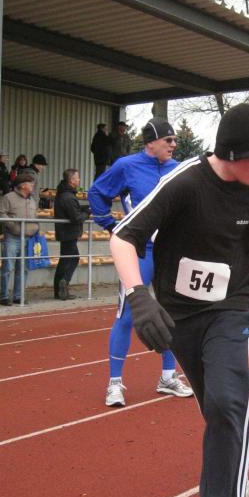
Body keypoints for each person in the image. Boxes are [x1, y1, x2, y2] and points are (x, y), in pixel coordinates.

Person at [109, 103, 249, 497]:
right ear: (231, 153)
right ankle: (234, 466)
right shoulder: (184, 184)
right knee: (210, 401)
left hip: (231, 306)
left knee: (228, 397)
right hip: (180, 315)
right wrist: (139, 297)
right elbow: (123, 237)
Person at [89, 117, 192, 406]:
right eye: (168, 140)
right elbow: (97, 192)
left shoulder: (179, 169)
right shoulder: (126, 166)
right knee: (127, 316)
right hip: (140, 252)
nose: (174, 144)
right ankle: (115, 383)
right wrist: (112, 226)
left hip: (170, 254)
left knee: (171, 314)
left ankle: (168, 377)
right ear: (151, 142)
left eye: (175, 140)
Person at [0, 169, 39, 305]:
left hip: (28, 238)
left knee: (23, 268)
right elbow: (1, 213)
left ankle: (18, 295)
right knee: (8, 267)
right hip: (12, 237)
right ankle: (4, 296)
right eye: (30, 183)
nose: (33, 186)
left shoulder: (32, 200)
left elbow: (35, 216)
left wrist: (36, 228)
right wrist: (13, 226)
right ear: (22, 185)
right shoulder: (8, 197)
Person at [53, 168, 89, 300]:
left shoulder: (64, 194)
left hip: (65, 232)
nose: (79, 180)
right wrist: (87, 213)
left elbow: (74, 210)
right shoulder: (67, 196)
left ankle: (58, 290)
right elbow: (76, 217)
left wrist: (85, 208)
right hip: (68, 233)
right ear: (72, 180)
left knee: (65, 260)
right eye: (77, 177)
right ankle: (64, 282)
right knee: (72, 258)